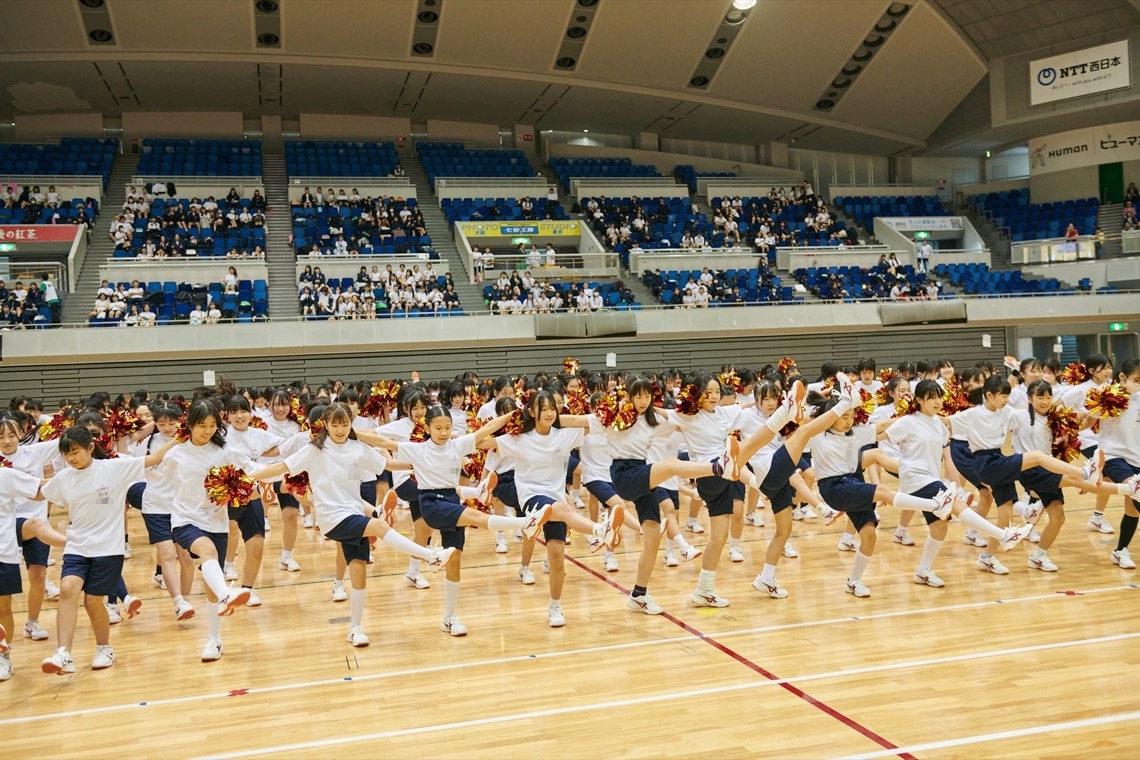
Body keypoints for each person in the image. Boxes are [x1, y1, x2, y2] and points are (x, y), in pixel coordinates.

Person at [248, 403, 455, 647]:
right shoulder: (314, 449)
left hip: (353, 510)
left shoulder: (358, 448)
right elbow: (281, 467)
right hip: (331, 517)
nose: (340, 429)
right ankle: (430, 555)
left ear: (351, 424)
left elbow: (386, 465)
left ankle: (355, 628)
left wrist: (418, 463)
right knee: (378, 526)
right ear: (325, 424)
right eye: (335, 424)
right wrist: (248, 476)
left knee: (358, 566)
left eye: (345, 424)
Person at [390, 405, 554, 636]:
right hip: (431, 503)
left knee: (454, 560)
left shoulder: (457, 445)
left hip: (451, 497)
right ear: (427, 428)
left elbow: (488, 428)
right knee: (476, 516)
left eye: (447, 427)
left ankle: (449, 618)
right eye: (438, 428)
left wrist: (518, 412)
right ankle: (525, 522)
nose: (444, 432)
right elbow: (383, 443)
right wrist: (352, 434)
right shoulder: (417, 449)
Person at [39, 426, 175, 674]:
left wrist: (180, 439)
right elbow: (41, 493)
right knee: (68, 589)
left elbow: (154, 459)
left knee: (93, 601)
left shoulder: (113, 468)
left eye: (75, 452)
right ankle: (63, 654)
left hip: (108, 548)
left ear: (90, 448)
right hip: (77, 545)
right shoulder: (63, 478)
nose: (71, 458)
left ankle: (104, 648)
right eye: (66, 454)